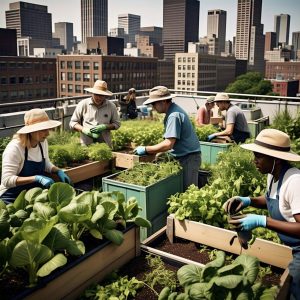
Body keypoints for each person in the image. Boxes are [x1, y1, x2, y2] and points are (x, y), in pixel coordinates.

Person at [223, 128, 300, 300]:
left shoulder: (294, 182)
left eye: (259, 156)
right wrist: (248, 200)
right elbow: (274, 200)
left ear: (276, 159)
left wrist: (262, 221)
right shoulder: (273, 175)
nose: (254, 161)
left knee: (294, 289)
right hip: (294, 248)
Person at [134, 86, 201, 190]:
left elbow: (168, 144)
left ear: (164, 101)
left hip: (189, 158)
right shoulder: (173, 111)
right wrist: (158, 152)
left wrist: (146, 149)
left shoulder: (173, 115)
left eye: (154, 103)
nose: (153, 107)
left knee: (190, 191)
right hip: (184, 156)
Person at [0, 108, 71, 203]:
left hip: (32, 195)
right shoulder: (15, 148)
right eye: (43, 130)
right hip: (11, 197)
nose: (47, 133)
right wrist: (37, 178)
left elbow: (46, 164)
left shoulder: (42, 142)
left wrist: (58, 171)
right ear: (31, 130)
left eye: (48, 129)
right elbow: (7, 180)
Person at [70, 80, 121, 147]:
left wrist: (104, 126)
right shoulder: (83, 104)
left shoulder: (111, 106)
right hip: (86, 143)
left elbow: (117, 124)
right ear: (92, 93)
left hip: (104, 144)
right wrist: (84, 129)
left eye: (102, 95)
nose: (99, 98)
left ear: (105, 95)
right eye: (96, 95)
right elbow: (73, 123)